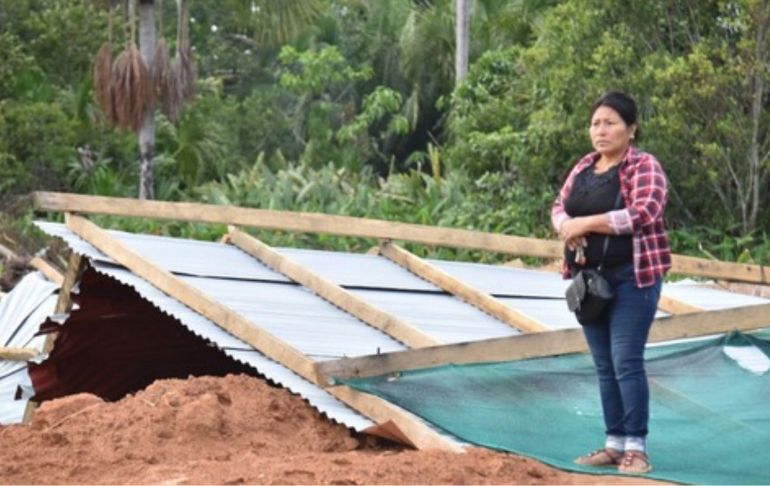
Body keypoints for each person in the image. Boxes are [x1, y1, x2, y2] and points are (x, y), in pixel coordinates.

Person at [551, 91, 671, 474]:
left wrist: (585, 223)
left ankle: (637, 447)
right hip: (589, 282)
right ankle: (614, 444)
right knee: (604, 365)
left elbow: (644, 212)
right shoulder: (584, 167)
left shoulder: (643, 166)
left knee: (626, 360)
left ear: (631, 129)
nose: (600, 131)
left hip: (632, 279)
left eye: (610, 123)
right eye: (595, 123)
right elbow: (558, 206)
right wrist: (565, 226)